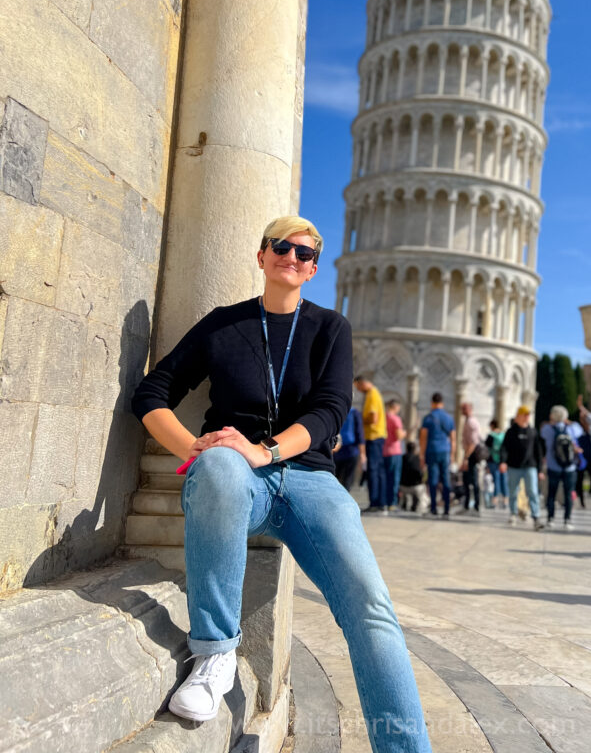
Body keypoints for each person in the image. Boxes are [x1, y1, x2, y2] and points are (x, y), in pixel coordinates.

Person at [130, 216, 431, 749]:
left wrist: (265, 449)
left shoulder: (330, 328)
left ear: (314, 269)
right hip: (238, 479)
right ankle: (215, 653)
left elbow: (331, 410)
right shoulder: (223, 325)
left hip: (309, 478)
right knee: (221, 464)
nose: (293, 258)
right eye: (282, 247)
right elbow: (152, 393)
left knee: (371, 607)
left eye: (306, 254)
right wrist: (193, 447)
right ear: (262, 254)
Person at [499, 406, 545, 530]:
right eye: (524, 414)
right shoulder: (511, 431)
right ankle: (513, 513)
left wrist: (540, 469)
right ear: (518, 415)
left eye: (528, 414)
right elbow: (504, 448)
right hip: (514, 466)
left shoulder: (533, 432)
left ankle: (536, 516)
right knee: (513, 491)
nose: (527, 417)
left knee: (533, 492)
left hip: (530, 466)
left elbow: (538, 452)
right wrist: (503, 462)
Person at [539, 406, 583, 529]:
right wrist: (567, 421)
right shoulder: (572, 429)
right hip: (569, 467)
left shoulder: (548, 429)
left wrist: (553, 422)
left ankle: (550, 518)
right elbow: (580, 429)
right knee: (568, 493)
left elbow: (542, 433)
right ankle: (567, 519)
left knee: (551, 494)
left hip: (553, 466)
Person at [354, 373, 387, 514]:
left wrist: (360, 420)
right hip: (377, 437)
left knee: (373, 470)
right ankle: (381, 502)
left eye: (358, 387)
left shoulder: (372, 395)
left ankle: (375, 502)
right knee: (378, 471)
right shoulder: (373, 394)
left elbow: (373, 418)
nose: (359, 390)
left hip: (374, 437)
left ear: (363, 383)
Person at [419, 393, 456, 517]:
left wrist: (421, 455)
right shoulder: (449, 418)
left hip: (432, 450)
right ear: (442, 403)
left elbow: (423, 438)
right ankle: (446, 508)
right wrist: (453, 454)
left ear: (432, 403)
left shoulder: (428, 418)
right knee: (446, 480)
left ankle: (433, 508)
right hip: (445, 451)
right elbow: (453, 438)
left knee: (433, 479)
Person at [333, 405, 365, 491]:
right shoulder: (354, 412)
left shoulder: (336, 409)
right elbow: (359, 433)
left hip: (337, 448)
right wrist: (362, 453)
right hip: (352, 450)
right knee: (348, 478)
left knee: (335, 478)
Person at [383, 399, 407, 511]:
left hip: (384, 451)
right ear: (396, 407)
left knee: (386, 478)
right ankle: (392, 502)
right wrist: (404, 433)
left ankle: (384, 501)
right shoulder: (396, 419)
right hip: (395, 451)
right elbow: (398, 436)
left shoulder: (384, 417)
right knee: (394, 478)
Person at [459, 401, 483, 514]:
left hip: (472, 455)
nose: (462, 410)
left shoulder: (471, 422)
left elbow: (473, 443)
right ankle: (468, 504)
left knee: (473, 481)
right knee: (467, 480)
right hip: (469, 454)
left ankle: (476, 506)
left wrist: (466, 458)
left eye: (464, 408)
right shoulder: (468, 421)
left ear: (469, 409)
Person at [484, 418, 507, 509]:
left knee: (495, 480)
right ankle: (505, 500)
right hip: (502, 461)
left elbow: (486, 448)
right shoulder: (503, 435)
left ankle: (495, 500)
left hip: (492, 460)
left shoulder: (491, 436)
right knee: (503, 480)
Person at [399, 440, 426, 513]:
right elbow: (421, 473)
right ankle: (414, 504)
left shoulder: (402, 458)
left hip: (403, 487)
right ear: (415, 449)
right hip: (416, 487)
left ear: (406, 449)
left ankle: (404, 503)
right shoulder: (418, 458)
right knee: (419, 486)